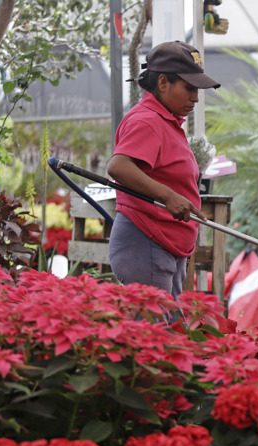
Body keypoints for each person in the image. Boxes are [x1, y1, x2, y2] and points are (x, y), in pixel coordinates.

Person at [107, 41, 220, 300]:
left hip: (164, 244)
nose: (195, 97)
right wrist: (168, 196)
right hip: (146, 241)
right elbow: (119, 166)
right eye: (189, 88)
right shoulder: (147, 120)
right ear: (162, 83)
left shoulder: (164, 120)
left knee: (169, 332)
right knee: (155, 335)